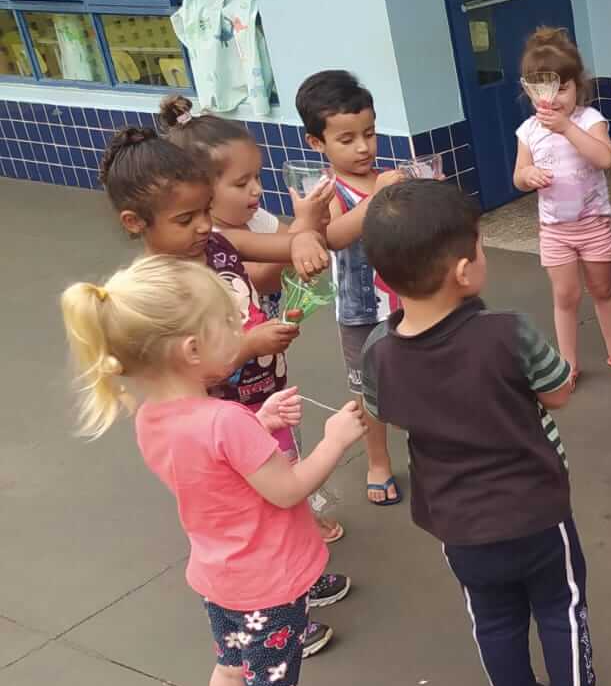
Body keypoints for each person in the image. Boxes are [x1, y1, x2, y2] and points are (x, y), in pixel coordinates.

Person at [60, 255, 369, 686]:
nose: (241, 329)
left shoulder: (154, 418)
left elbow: (212, 465)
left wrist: (260, 423)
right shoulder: (225, 421)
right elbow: (287, 489)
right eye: (229, 323)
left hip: (219, 577)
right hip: (268, 582)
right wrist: (334, 440)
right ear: (192, 350)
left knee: (231, 669)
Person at [360, 180, 611, 686]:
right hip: (536, 510)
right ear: (463, 271)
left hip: (456, 521)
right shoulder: (507, 332)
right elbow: (557, 393)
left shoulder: (379, 351)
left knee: (493, 616)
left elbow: (381, 411)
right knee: (560, 606)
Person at [99, 127, 346, 650]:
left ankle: (299, 579)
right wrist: (249, 343)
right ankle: (276, 615)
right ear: (135, 222)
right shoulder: (156, 290)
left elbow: (283, 244)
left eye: (206, 211)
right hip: (222, 417)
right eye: (186, 218)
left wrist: (303, 236)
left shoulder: (217, 244)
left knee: (282, 487)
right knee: (256, 509)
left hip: (261, 396)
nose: (203, 226)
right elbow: (183, 366)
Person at [157, 94, 348, 550]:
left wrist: (307, 231)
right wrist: (303, 231)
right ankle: (281, 548)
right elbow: (261, 275)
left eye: (257, 177)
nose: (256, 190)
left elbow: (292, 245)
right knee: (252, 473)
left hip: (262, 376)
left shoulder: (230, 235)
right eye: (242, 182)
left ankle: (296, 527)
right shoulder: (191, 258)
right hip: (226, 397)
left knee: (282, 450)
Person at [295, 69, 405, 507]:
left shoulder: (386, 179)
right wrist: (380, 198)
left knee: (422, 378)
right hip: (361, 312)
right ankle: (378, 462)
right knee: (367, 392)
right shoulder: (325, 191)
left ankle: (434, 452)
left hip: (407, 302)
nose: (363, 147)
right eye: (347, 139)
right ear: (316, 142)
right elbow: (334, 236)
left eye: (370, 134)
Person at [512, 26, 611, 381]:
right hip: (555, 230)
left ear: (577, 85)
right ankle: (568, 363)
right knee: (565, 296)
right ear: (529, 91)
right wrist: (528, 175)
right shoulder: (528, 131)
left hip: (594, 224)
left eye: (562, 89)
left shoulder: (589, 120)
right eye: (542, 91)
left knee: (603, 289)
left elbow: (604, 158)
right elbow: (518, 175)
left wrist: (567, 128)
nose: (553, 100)